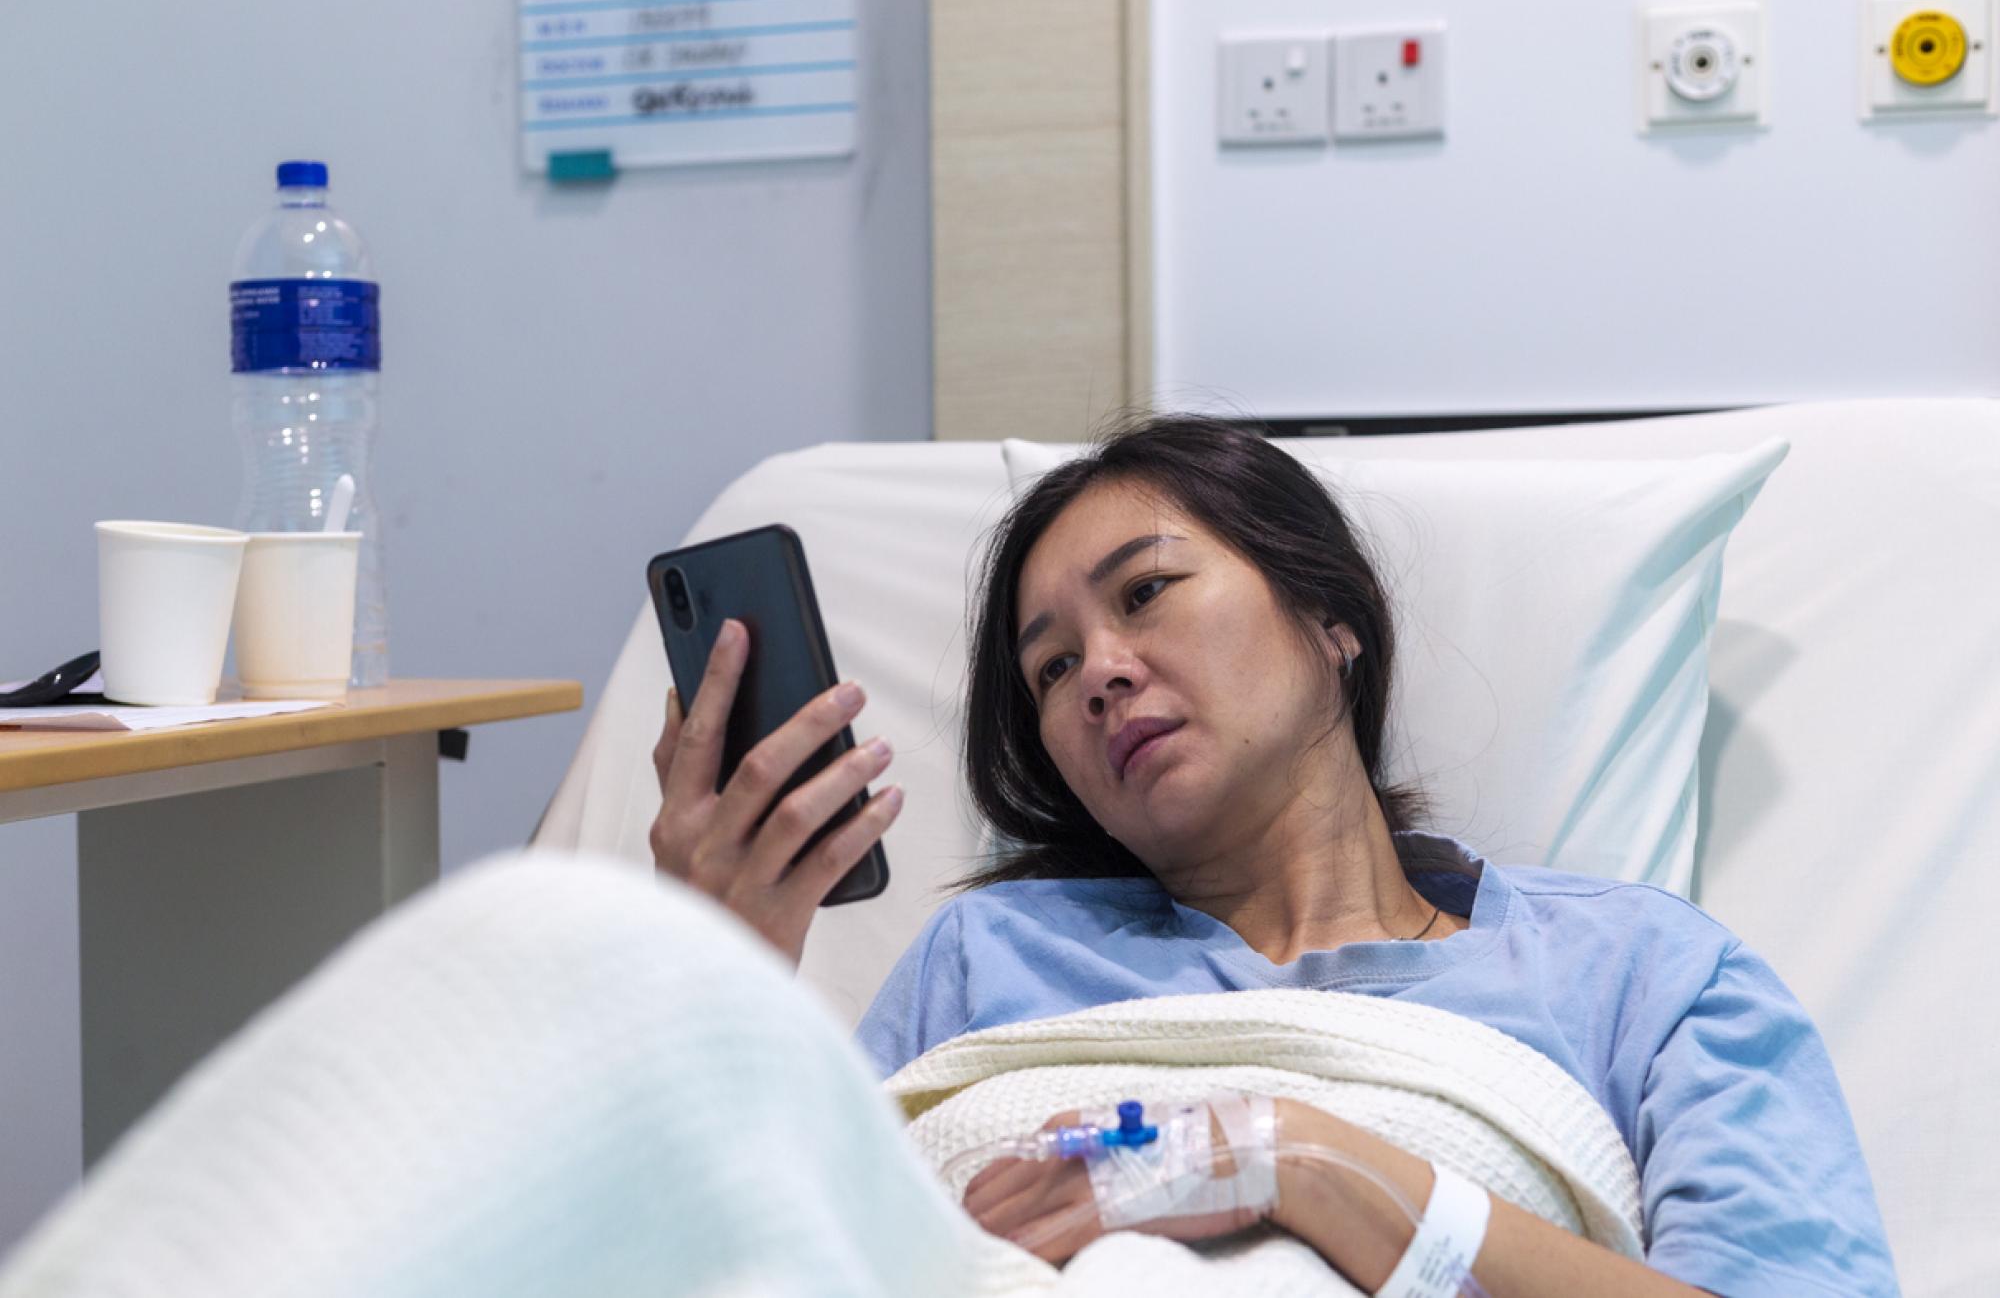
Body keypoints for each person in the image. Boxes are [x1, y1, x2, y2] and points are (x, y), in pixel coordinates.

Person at [650, 413, 1900, 1296]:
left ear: (1329, 617)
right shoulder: (983, 960)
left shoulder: (1638, 974)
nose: (1101, 673)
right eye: (1050, 667)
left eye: (1142, 594)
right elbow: (744, 1260)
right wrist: (716, 969)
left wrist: (1295, 1163)